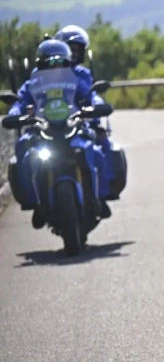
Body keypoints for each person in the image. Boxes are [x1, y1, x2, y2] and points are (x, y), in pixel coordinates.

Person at [6, 39, 112, 228]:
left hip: (73, 128)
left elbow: (89, 96)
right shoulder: (31, 85)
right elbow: (19, 103)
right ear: (40, 64)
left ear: (68, 62)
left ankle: (100, 197)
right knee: (24, 148)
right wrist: (16, 115)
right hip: (41, 132)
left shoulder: (76, 80)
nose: (55, 67)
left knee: (94, 151)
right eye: (49, 63)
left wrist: (96, 105)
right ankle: (35, 202)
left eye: (60, 62)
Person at [53, 25, 115, 189]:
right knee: (25, 146)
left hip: (77, 124)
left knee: (98, 148)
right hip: (48, 127)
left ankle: (102, 193)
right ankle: (32, 198)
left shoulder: (82, 74)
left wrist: (94, 118)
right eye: (68, 49)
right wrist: (19, 112)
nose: (72, 53)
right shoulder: (42, 74)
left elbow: (88, 95)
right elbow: (27, 97)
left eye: (76, 50)